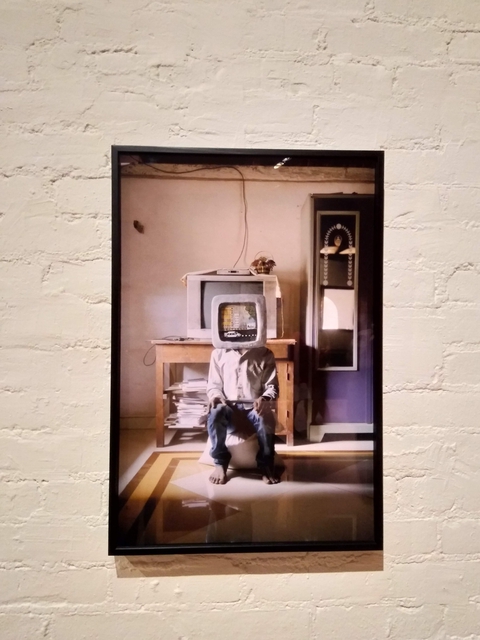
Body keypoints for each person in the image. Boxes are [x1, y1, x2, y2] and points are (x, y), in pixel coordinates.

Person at [206, 346, 280, 485]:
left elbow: (272, 386)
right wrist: (215, 396)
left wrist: (265, 399)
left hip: (254, 409)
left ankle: (266, 464)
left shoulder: (265, 353)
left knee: (265, 417)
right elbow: (214, 385)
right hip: (228, 409)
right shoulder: (218, 353)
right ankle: (220, 463)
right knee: (215, 412)